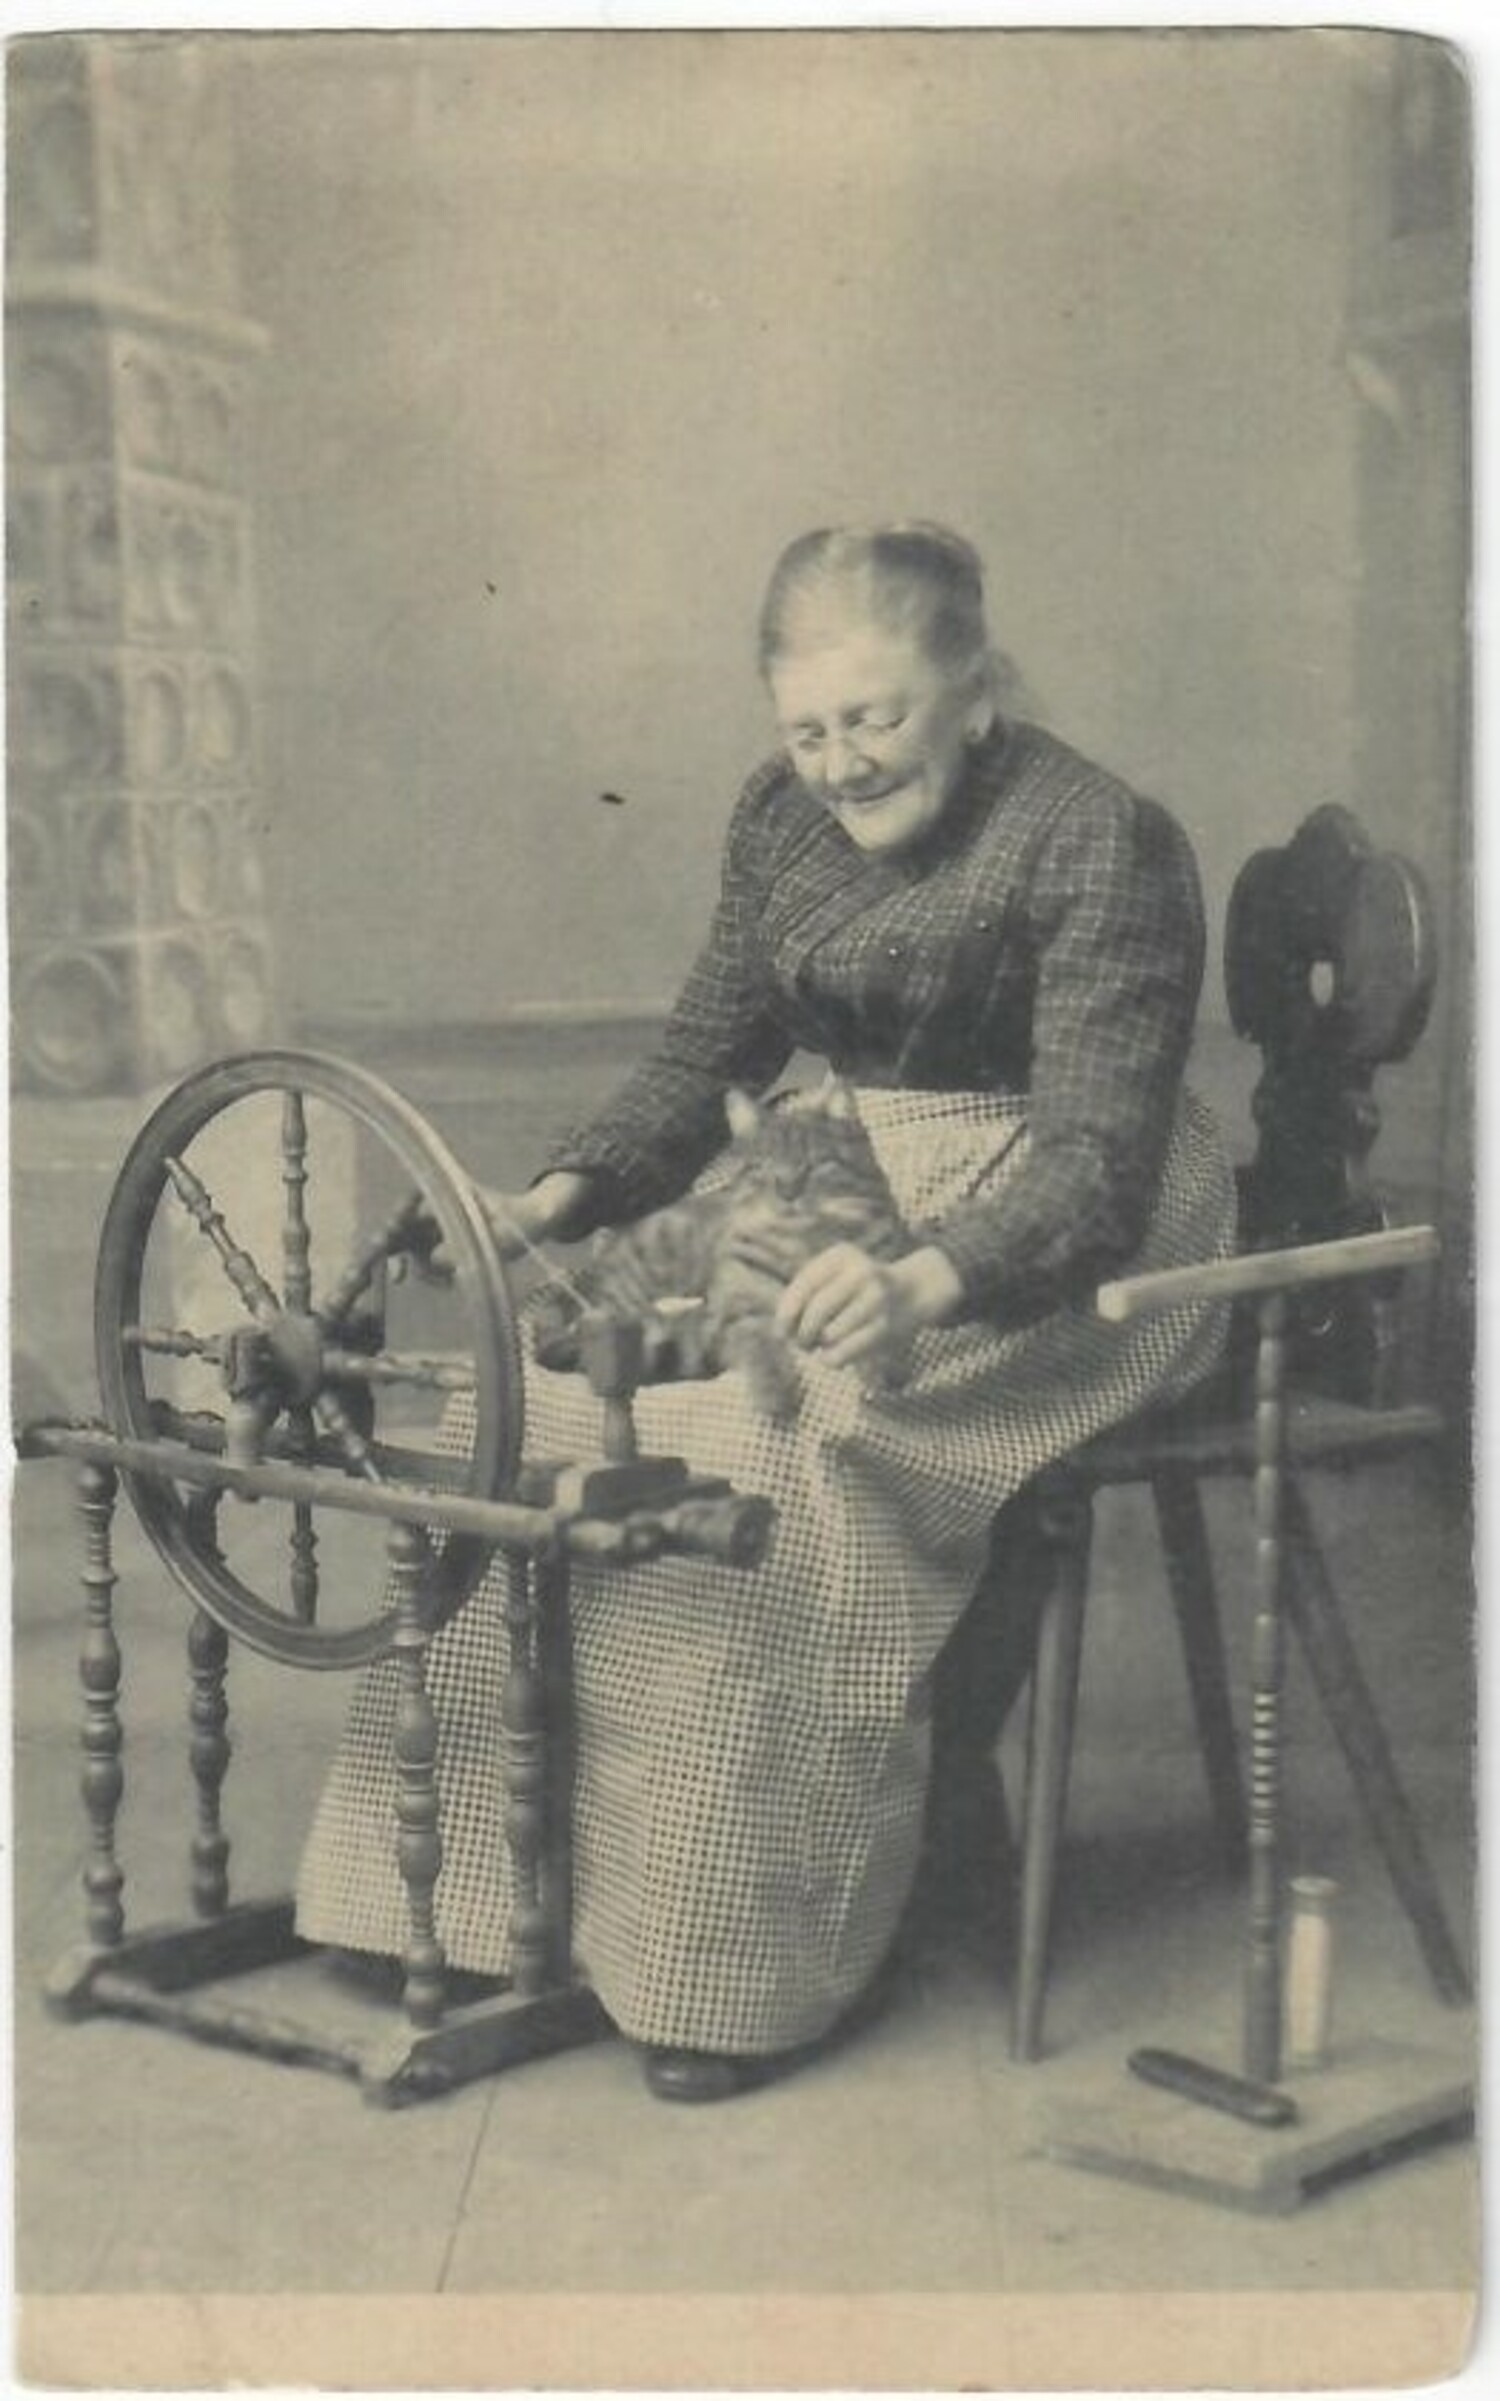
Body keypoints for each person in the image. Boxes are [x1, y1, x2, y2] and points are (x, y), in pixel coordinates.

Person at [297, 522, 1235, 2102]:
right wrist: (566, 1196)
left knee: (781, 1432)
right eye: (808, 731)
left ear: (976, 689)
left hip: (1074, 1233)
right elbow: (703, 1057)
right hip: (849, 1175)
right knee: (535, 1383)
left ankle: (731, 1959)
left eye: (877, 720)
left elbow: (1096, 1160)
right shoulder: (780, 822)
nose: (844, 764)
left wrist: (924, 1280)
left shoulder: (1100, 836)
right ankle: (487, 1894)